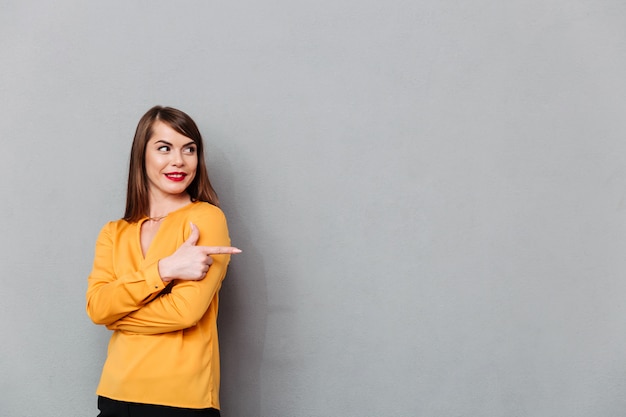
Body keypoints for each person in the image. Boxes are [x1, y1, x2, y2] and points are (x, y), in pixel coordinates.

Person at [86, 106, 241, 417]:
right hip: (115, 394)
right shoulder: (114, 232)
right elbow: (97, 307)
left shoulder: (205, 218)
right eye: (164, 148)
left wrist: (116, 319)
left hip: (181, 400)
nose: (179, 161)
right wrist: (165, 269)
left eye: (190, 149)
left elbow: (184, 313)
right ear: (141, 155)